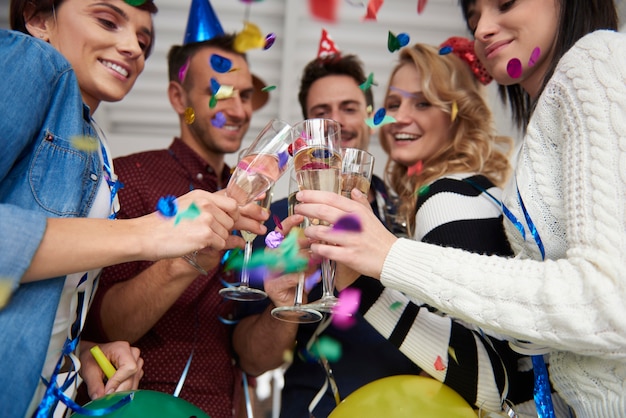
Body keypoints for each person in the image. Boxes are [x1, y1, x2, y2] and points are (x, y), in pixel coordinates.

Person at [294, 1, 626, 417]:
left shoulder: (446, 197)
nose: (484, 28)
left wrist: (387, 256)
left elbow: (607, 304)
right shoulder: (528, 145)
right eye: (472, 18)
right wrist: (360, 279)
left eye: (505, 3)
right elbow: (497, 378)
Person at [234, 45, 526, 416]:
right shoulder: (277, 221)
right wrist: (286, 306)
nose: (336, 124)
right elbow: (253, 361)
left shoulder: (408, 212)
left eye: (349, 108)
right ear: (306, 129)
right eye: (321, 114)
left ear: (372, 116)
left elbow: (484, 348)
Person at [0, 1, 254, 417]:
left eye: (143, 38)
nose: (133, 47)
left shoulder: (94, 144)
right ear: (39, 19)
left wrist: (83, 351)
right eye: (107, 20)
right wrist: (150, 232)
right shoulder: (27, 62)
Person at [82, 31, 270, 417]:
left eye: (245, 95)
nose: (237, 110)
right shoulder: (129, 178)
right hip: (141, 408)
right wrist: (188, 260)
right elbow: (105, 328)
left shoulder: (255, 203)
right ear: (178, 98)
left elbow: (253, 356)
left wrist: (286, 301)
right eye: (218, 92)